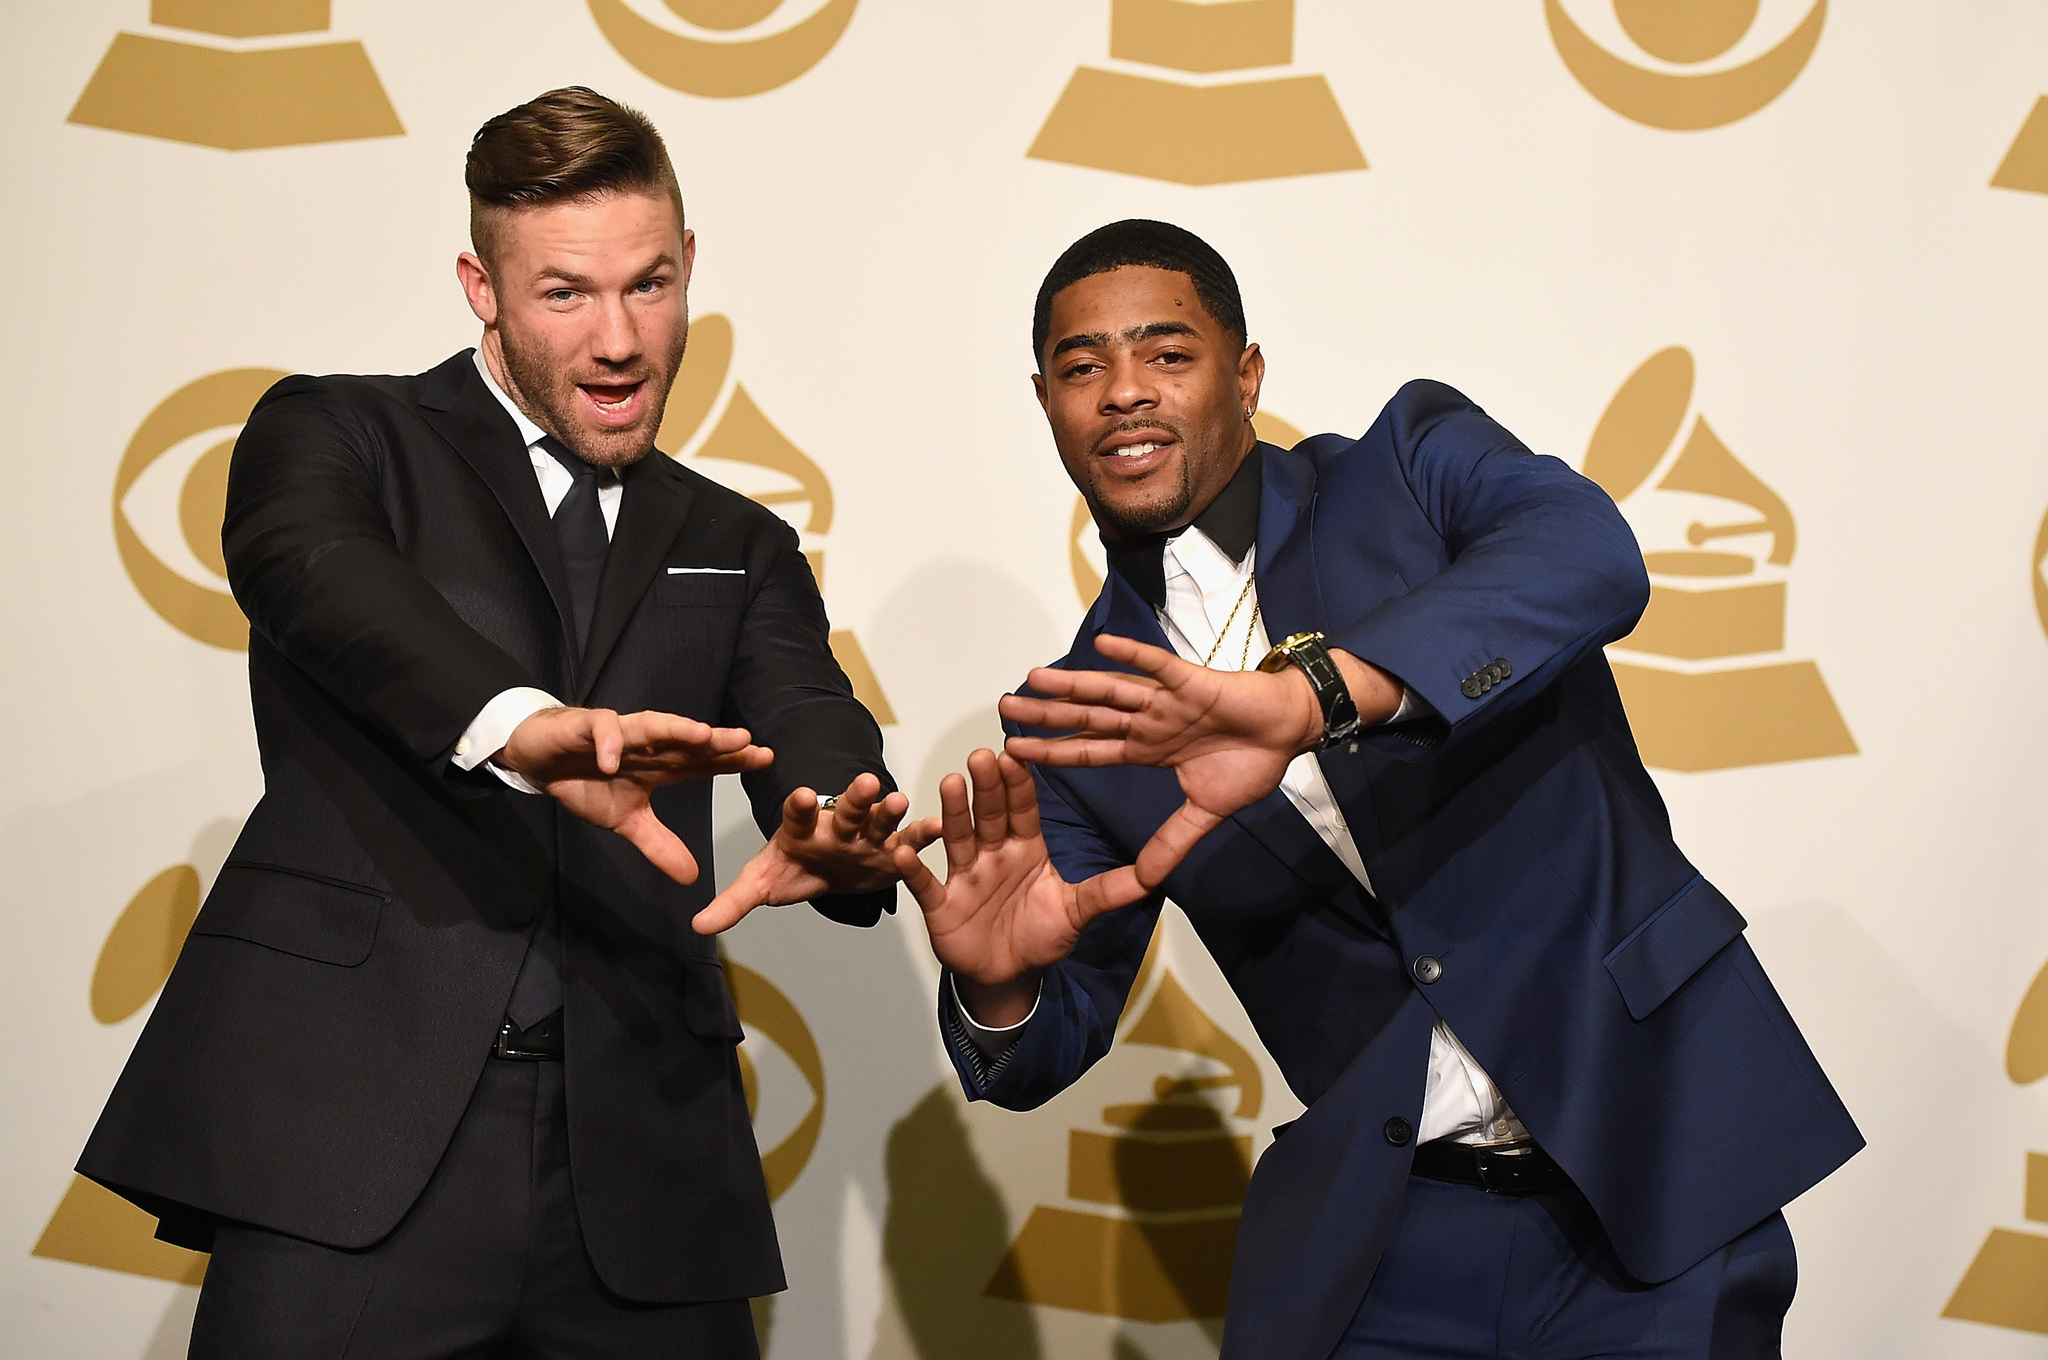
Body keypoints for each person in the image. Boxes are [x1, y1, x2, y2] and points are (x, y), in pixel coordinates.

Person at [896, 219, 1863, 1360]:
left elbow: (1589, 556)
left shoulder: (1406, 468)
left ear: (1244, 374)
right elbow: (1047, 1044)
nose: (1121, 393)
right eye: (1080, 367)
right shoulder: (1076, 715)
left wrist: (1317, 693)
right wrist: (996, 988)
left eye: (1167, 353)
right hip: (1387, 1236)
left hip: (1648, 1153)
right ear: (1046, 404)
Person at [77, 87, 922, 1358]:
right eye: (564, 294)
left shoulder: (736, 541)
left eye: (647, 285)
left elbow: (805, 706)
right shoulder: (339, 434)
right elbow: (318, 577)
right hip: (351, 1149)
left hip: (643, 1166)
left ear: (689, 267)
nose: (619, 339)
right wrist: (519, 726)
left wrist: (842, 814)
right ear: (481, 286)